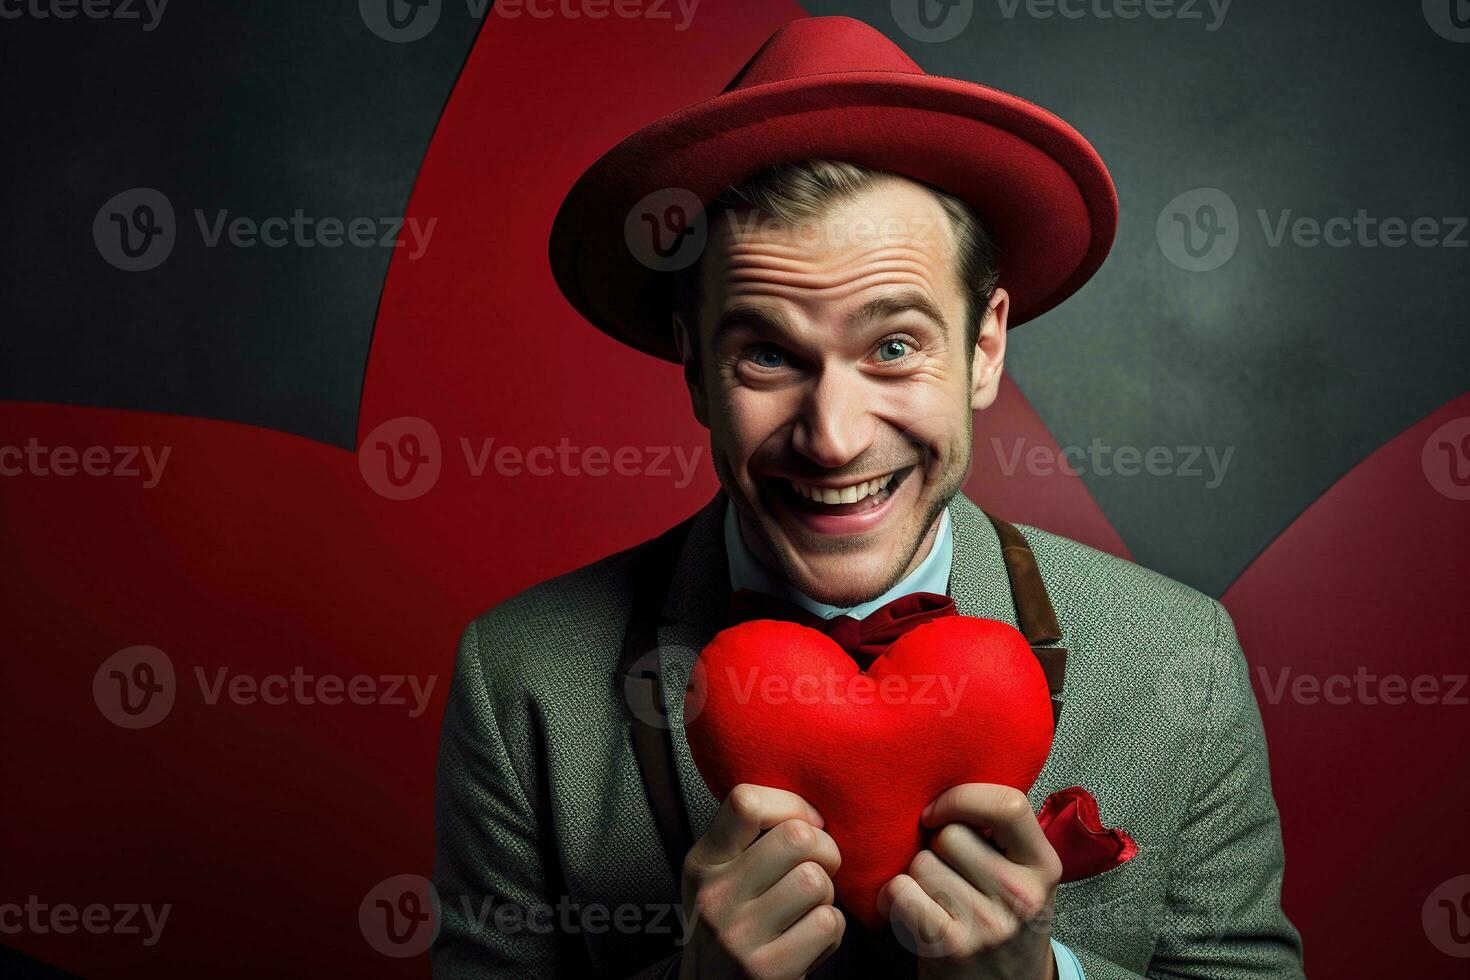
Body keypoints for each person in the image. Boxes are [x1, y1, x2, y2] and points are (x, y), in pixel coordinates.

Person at [432, 16, 1303, 979]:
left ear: (984, 347)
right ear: (694, 368)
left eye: (893, 346)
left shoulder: (1181, 661)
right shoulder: (519, 679)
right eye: (765, 352)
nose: (834, 436)